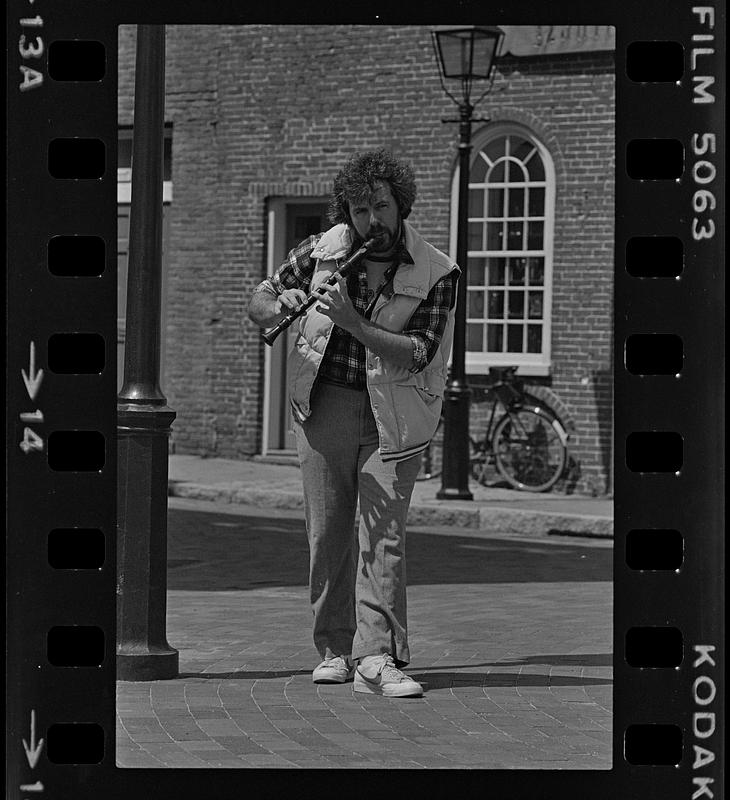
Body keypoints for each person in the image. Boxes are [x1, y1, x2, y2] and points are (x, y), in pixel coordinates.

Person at [248, 149, 459, 698]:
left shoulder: (437, 270)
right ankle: (334, 650)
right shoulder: (322, 251)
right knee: (328, 533)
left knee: (383, 536)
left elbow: (416, 352)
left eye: (381, 207)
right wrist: (279, 304)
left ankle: (378, 655)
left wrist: (353, 321)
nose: (372, 222)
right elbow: (259, 300)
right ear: (349, 211)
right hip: (325, 407)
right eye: (360, 211)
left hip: (396, 411)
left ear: (401, 205)